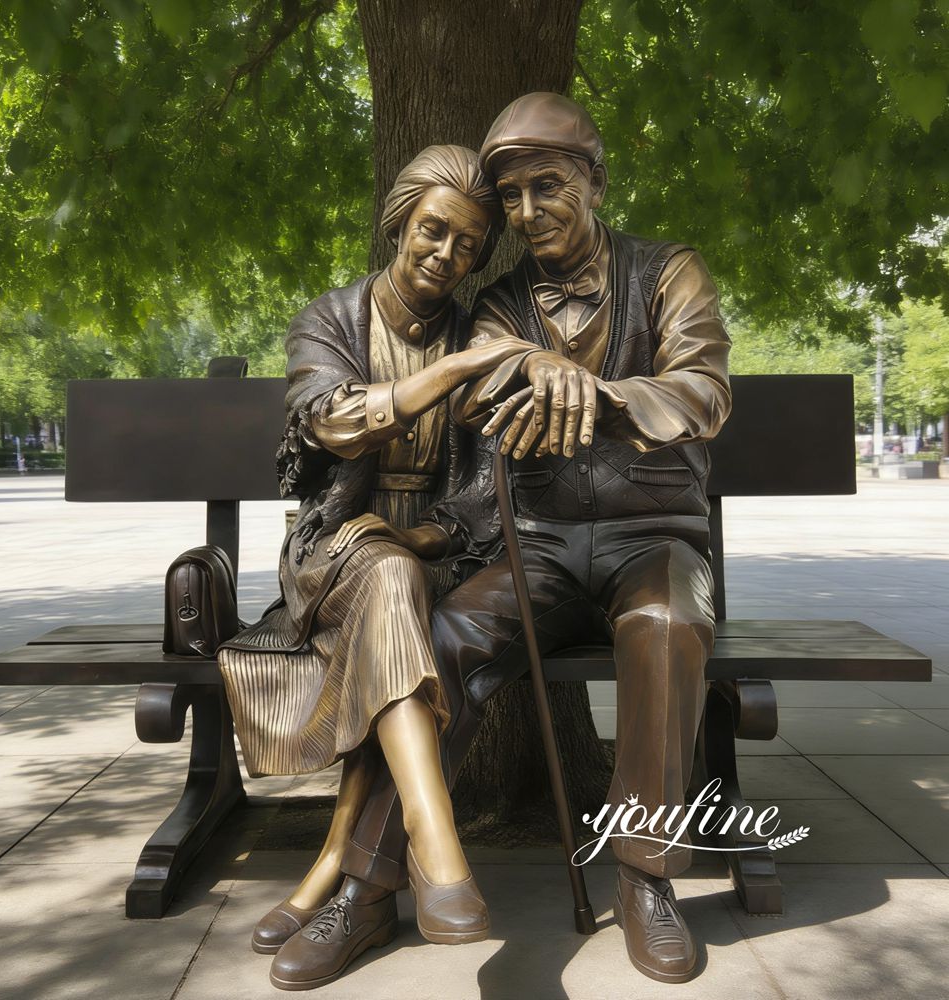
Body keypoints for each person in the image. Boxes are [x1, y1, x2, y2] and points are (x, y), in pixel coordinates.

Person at [327, 93, 732, 986]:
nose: (526, 212)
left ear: (593, 181)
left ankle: (645, 878)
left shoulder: (670, 273)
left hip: (653, 538)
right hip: (538, 544)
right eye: (511, 197)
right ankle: (368, 883)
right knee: (441, 641)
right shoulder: (502, 300)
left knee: (667, 627)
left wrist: (607, 396)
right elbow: (482, 386)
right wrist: (535, 364)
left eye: (547, 186)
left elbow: (702, 392)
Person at [217, 144, 532, 992]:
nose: (448, 256)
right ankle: (436, 844)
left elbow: (486, 478)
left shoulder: (477, 323)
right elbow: (337, 426)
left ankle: (331, 871)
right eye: (434, 231)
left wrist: (428, 536)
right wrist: (456, 369)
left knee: (394, 607)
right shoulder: (327, 320)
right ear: (401, 221)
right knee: (385, 589)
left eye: (469, 245)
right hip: (333, 549)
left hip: (432, 551)